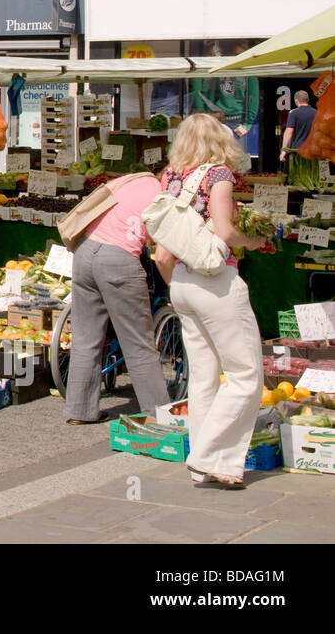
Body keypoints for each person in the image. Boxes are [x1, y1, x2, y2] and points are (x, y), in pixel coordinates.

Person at [151, 113, 267, 488]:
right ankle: (206, 457)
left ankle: (212, 463)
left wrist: (176, 285)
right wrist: (254, 242)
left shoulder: (170, 176)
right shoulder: (218, 175)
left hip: (182, 282)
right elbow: (225, 231)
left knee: (203, 378)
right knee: (246, 375)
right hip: (215, 282)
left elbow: (162, 251)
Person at [63, 172, 170, 425]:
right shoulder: (163, 195)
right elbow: (162, 248)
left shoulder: (131, 180)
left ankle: (79, 412)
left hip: (84, 250)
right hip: (118, 259)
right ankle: (158, 414)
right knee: (138, 341)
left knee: (86, 338)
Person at [280, 90, 317, 184]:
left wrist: (284, 150)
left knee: (294, 178)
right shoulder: (317, 113)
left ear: (296, 101)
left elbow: (289, 132)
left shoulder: (293, 113)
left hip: (297, 151)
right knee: (311, 177)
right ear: (307, 100)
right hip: (313, 151)